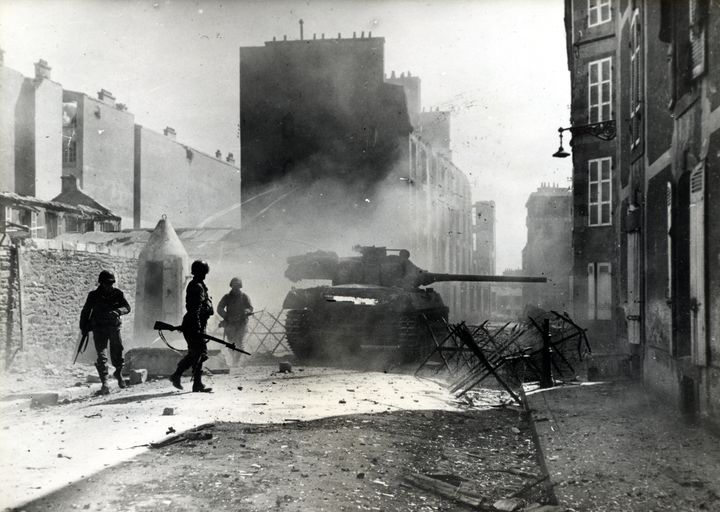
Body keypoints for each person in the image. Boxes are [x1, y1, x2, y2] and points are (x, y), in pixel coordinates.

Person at [80, 270, 131, 395]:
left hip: (114, 328)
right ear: (101, 283)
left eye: (111, 283)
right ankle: (105, 383)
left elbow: (127, 308)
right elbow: (86, 311)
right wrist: (84, 327)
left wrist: (118, 311)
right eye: (107, 283)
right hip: (99, 329)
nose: (110, 286)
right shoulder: (93, 295)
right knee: (101, 356)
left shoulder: (117, 293)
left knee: (117, 353)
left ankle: (118, 373)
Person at [169, 260, 214, 392]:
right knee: (198, 353)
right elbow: (195, 309)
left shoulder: (199, 285)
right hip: (194, 324)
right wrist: (198, 328)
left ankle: (195, 383)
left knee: (198, 353)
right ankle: (178, 376)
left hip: (196, 323)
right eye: (203, 272)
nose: (205, 275)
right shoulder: (197, 287)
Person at [217, 277, 253, 365]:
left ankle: (236, 362)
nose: (235, 288)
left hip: (241, 323)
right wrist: (227, 316)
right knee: (231, 344)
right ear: (231, 286)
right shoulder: (226, 297)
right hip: (230, 324)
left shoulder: (244, 297)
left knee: (240, 343)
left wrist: (246, 311)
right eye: (234, 286)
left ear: (240, 286)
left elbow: (250, 307)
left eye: (237, 286)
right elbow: (219, 308)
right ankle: (233, 360)